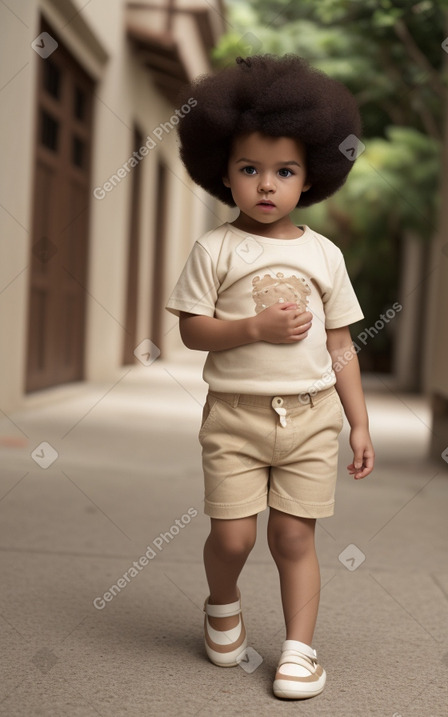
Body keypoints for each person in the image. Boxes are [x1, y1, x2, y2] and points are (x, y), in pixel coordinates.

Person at [166, 53, 375, 700]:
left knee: (292, 535)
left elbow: (340, 341)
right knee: (232, 535)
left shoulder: (323, 254)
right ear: (223, 175)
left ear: (309, 178)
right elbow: (192, 330)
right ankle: (222, 601)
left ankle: (299, 649)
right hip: (235, 415)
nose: (265, 185)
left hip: (312, 415)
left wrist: (359, 421)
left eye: (283, 171)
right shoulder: (216, 249)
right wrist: (252, 330)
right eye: (249, 169)